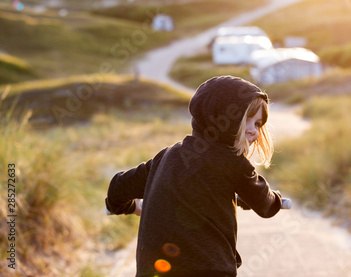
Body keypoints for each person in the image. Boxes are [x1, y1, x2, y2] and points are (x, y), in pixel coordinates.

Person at [105, 75, 283, 277]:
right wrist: (276, 199)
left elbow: (118, 188)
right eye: (246, 120)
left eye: (258, 124)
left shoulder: (166, 157)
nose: (254, 132)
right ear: (221, 118)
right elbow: (264, 204)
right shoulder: (233, 163)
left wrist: (129, 206)